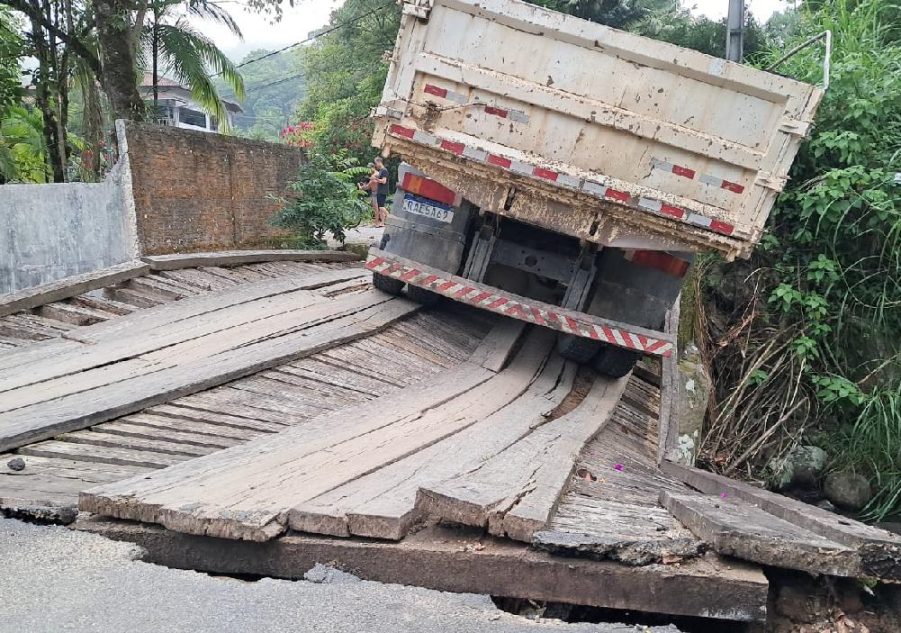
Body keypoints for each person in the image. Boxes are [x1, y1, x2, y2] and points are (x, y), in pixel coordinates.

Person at [372, 157, 390, 228]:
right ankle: (382, 222)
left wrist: (376, 179)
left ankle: (390, 218)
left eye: (376, 163)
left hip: (382, 191)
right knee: (380, 207)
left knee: (381, 207)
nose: (376, 165)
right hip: (380, 190)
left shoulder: (384, 171)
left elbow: (384, 181)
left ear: (379, 162)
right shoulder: (381, 171)